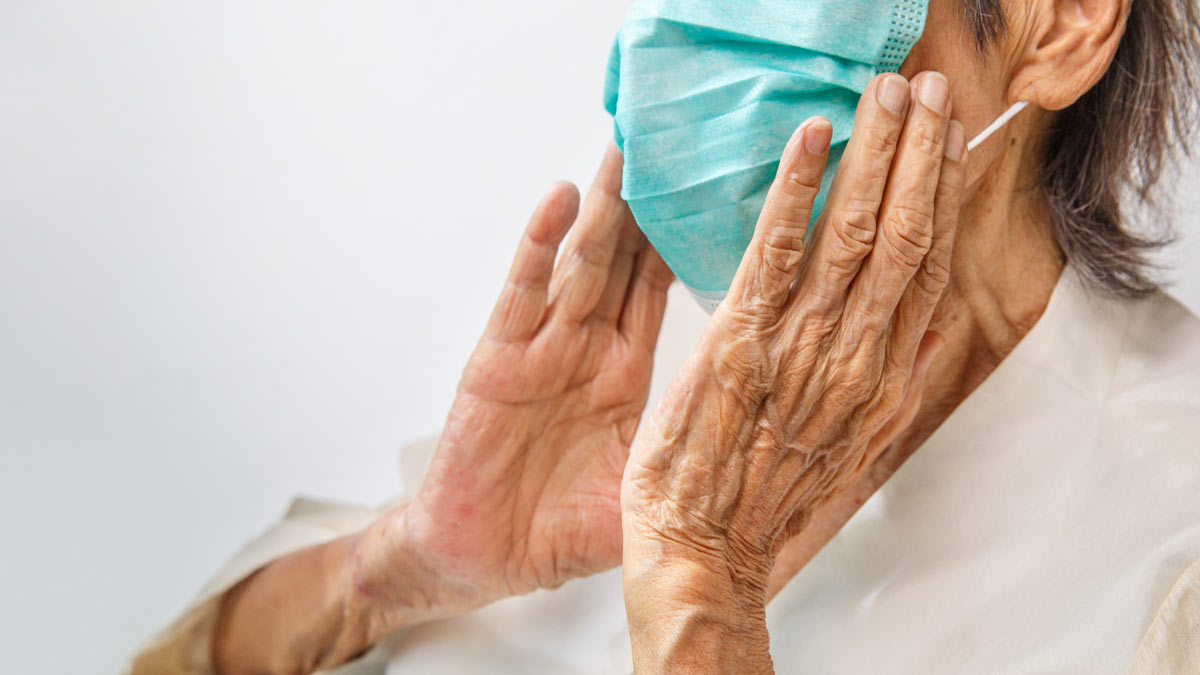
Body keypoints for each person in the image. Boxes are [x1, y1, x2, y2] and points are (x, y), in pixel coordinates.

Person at [128, 0, 1200, 672]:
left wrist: (706, 603)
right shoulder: (647, 346)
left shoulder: (1168, 562)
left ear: (1057, 22)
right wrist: (404, 563)